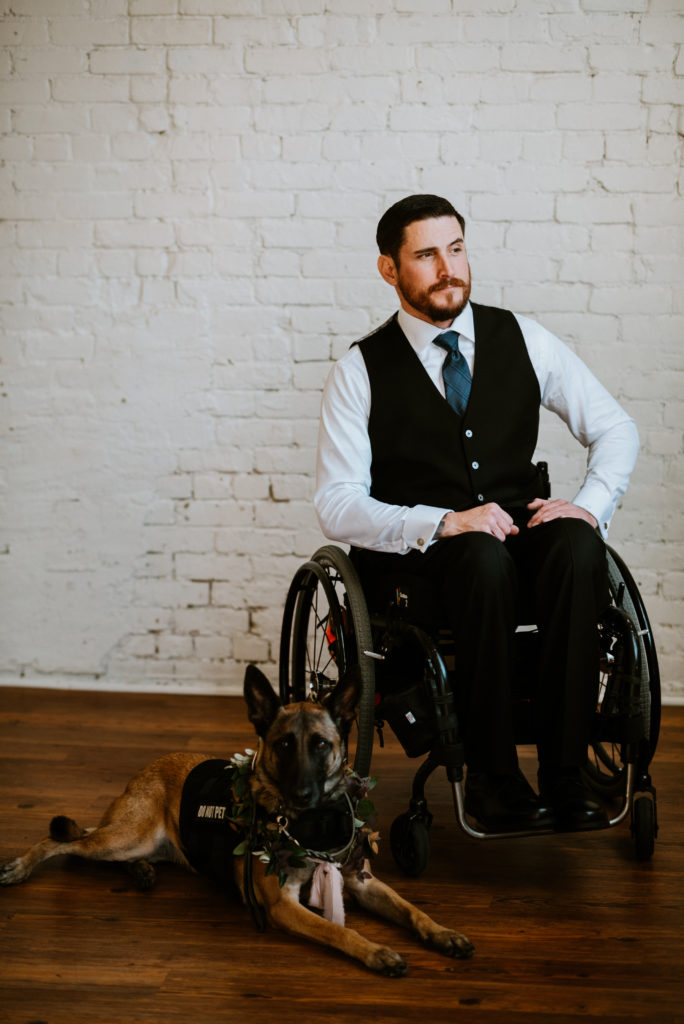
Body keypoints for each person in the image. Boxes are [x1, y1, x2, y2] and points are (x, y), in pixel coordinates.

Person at [314, 194, 639, 834]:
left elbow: (616, 429)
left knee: (576, 546)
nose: (448, 268)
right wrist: (438, 522)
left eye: (456, 249)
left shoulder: (522, 337)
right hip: (418, 564)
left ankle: (567, 776)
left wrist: (589, 506)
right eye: (427, 255)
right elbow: (336, 502)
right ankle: (493, 780)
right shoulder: (361, 369)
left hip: (514, 538)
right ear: (389, 269)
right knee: (481, 558)